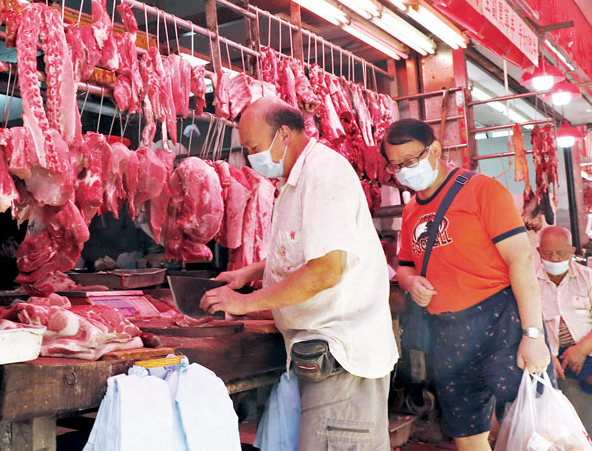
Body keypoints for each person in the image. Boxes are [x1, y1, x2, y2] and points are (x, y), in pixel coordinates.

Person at [200, 96, 398, 450]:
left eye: (254, 147)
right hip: (326, 353)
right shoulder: (297, 179)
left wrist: (243, 304)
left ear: (285, 135)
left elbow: (324, 272)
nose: (250, 157)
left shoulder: (323, 174)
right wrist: (251, 273)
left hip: (343, 356)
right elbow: (311, 251)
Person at [383, 118, 551, 451]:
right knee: (466, 431)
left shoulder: (482, 190)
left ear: (434, 150)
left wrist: (533, 336)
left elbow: (521, 261)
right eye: (395, 165)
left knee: (536, 429)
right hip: (448, 333)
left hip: (502, 323)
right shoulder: (410, 211)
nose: (403, 170)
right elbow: (402, 267)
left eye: (410, 161)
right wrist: (410, 280)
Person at [535, 225, 592, 430]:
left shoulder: (588, 278)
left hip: (586, 349)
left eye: (560, 253)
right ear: (539, 252)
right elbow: (524, 325)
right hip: (548, 354)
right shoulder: (530, 283)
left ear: (572, 251)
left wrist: (582, 349)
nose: (555, 259)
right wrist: (545, 355)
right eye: (548, 253)